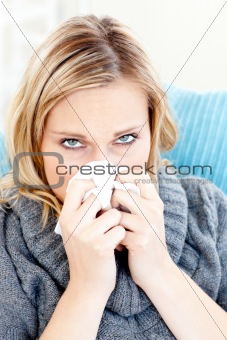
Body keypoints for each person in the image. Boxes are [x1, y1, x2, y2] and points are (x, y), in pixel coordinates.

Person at [0, 14, 226, 340]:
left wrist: (160, 271)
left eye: (125, 139)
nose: (104, 168)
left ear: (151, 127)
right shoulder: (10, 243)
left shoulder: (208, 211)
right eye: (73, 142)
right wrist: (87, 290)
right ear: (36, 141)